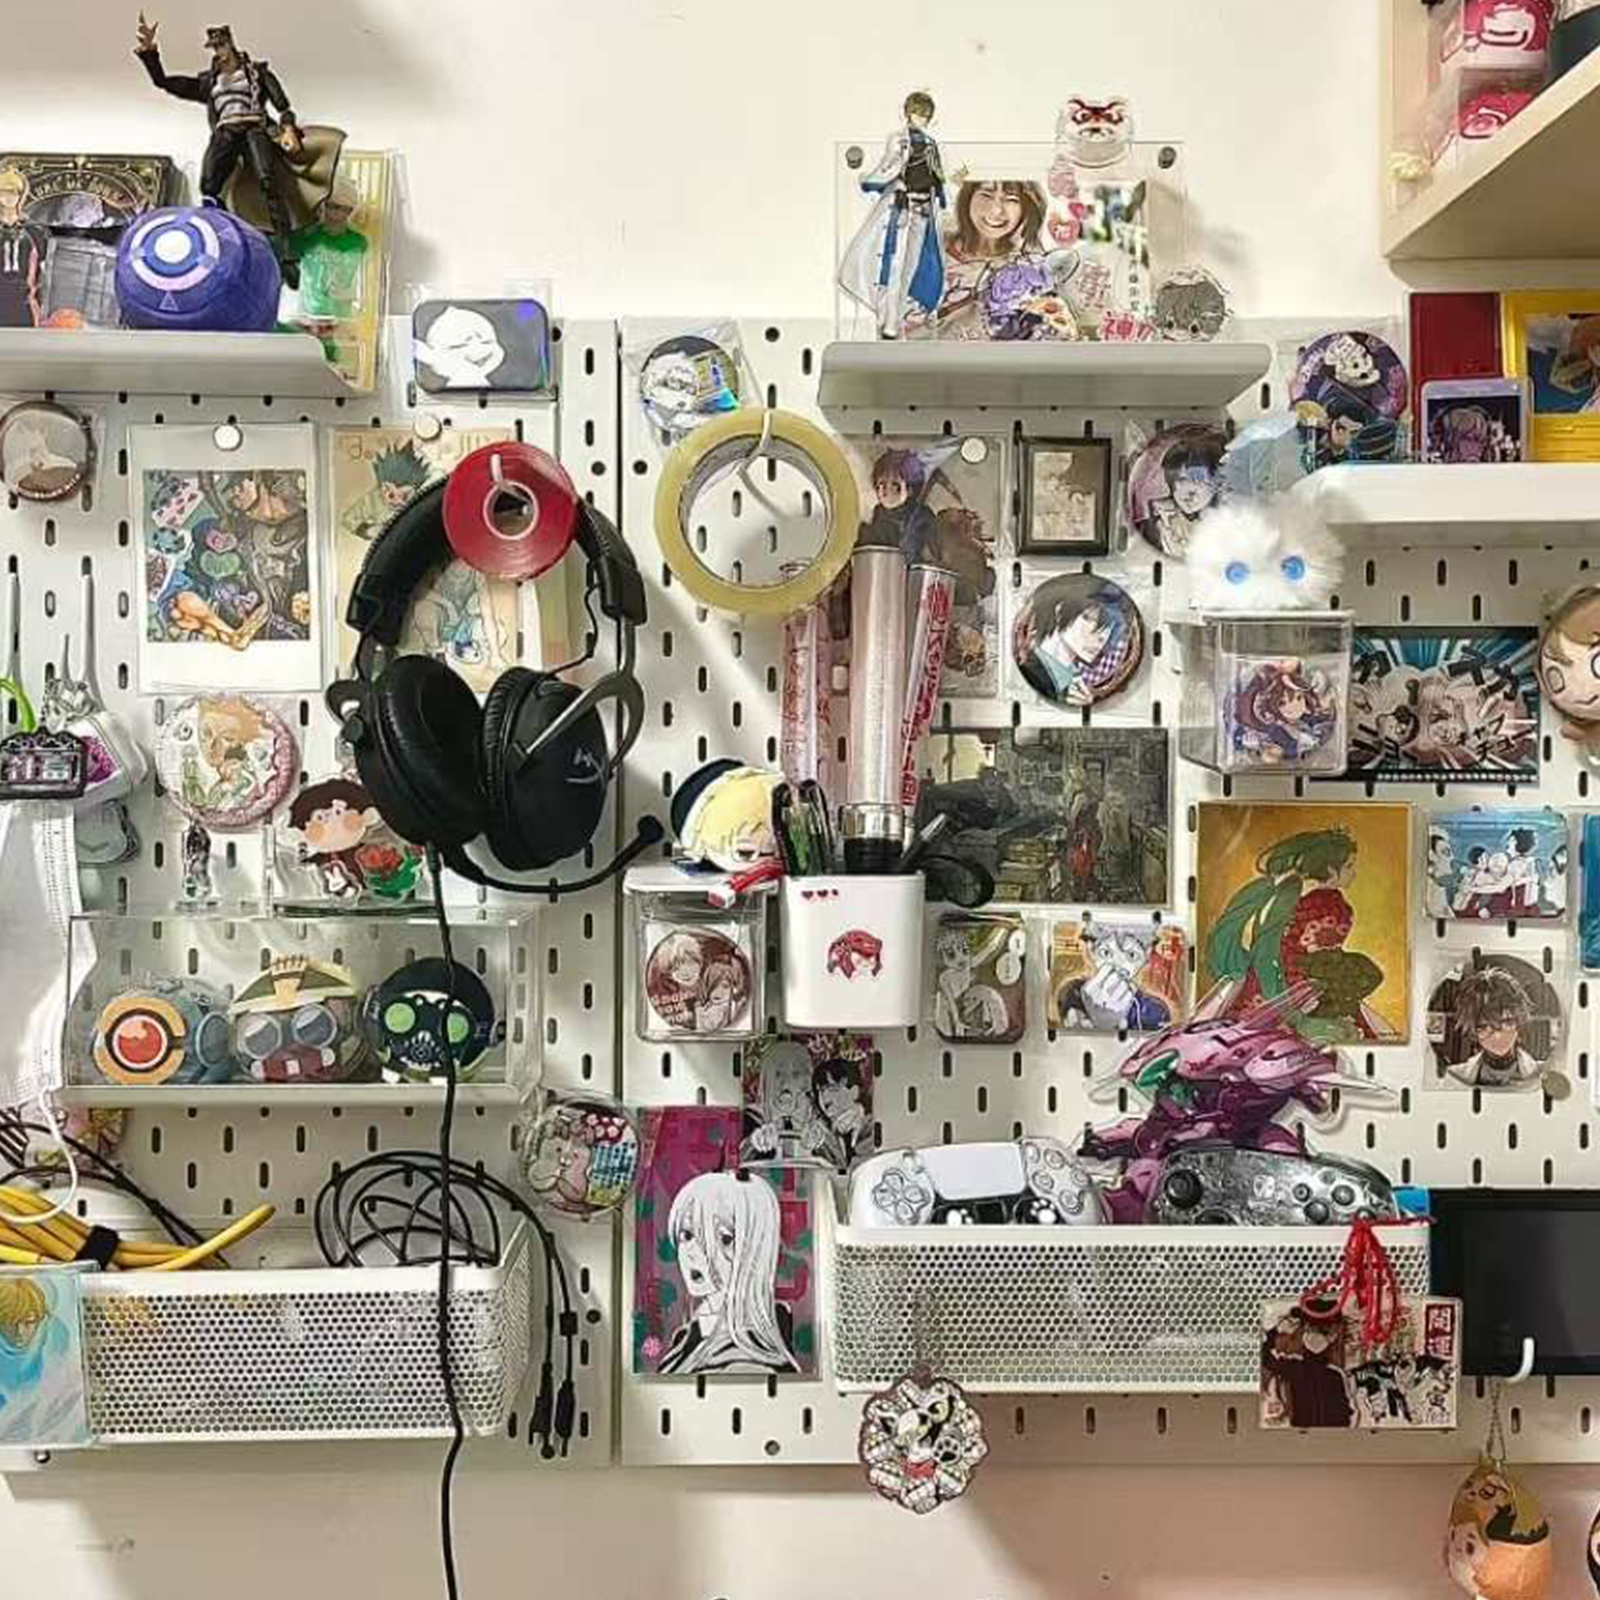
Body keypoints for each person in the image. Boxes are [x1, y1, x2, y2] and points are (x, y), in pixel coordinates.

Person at [133, 17, 323, 285]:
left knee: (268, 181)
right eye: (214, 47)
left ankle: (286, 254)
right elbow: (163, 81)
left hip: (254, 129)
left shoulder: (258, 73)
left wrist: (288, 128)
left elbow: (283, 107)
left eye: (222, 45)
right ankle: (222, 241)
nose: (219, 51)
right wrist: (150, 52)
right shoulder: (209, 82)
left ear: (231, 45)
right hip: (226, 133)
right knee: (208, 187)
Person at [657, 1172, 799, 1376]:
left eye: (724, 1239)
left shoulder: (746, 1365)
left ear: (756, 1247)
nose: (696, 1253)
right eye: (687, 1235)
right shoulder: (689, 1337)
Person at [837, 91, 946, 340]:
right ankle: (888, 322)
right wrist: (868, 180)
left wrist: (940, 197)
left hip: (923, 210)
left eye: (926, 115)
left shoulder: (930, 144)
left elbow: (937, 174)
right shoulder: (899, 140)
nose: (922, 119)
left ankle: (895, 320)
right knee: (894, 268)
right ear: (908, 113)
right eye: (918, 113)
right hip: (902, 209)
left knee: (911, 267)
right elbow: (889, 167)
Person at [932, 179, 1049, 340]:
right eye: (986, 195)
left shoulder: (1027, 271)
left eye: (1011, 200)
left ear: (1025, 208)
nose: (996, 210)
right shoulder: (933, 241)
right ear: (968, 197)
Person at [1018, 586, 1136, 705]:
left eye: (1109, 629)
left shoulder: (1073, 681)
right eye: (1089, 619)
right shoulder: (1031, 674)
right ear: (1059, 612)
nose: (1102, 637)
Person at [1443, 966, 1540, 1087]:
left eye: (1506, 1022)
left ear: (1518, 1022)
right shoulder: (1454, 1077)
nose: (1497, 1036)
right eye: (1484, 1027)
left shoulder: (1542, 1073)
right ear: (1474, 1030)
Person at [1229, 660, 1337, 765]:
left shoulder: (1308, 720)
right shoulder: (1275, 733)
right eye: (1282, 703)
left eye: (1299, 698)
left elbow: (1321, 723)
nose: (1293, 707)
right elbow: (1273, 753)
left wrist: (1324, 706)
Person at [859, 447, 937, 562]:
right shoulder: (877, 515)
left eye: (895, 485)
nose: (886, 491)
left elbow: (929, 553)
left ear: (910, 490)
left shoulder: (922, 517)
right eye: (881, 484)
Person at [0, 166, 46, 328]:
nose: (9, 197)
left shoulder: (34, 230)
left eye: (14, 192)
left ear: (21, 195)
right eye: (4, 192)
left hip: (24, 297)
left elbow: (42, 267)